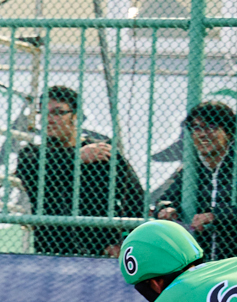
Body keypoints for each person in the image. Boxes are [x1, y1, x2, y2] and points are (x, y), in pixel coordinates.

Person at [14, 84, 143, 257]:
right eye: (44, 112)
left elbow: (135, 199)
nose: (49, 119)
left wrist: (123, 243)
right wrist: (77, 158)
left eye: (58, 112)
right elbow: (40, 171)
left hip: (101, 253)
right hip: (51, 251)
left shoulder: (101, 153)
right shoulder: (31, 155)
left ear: (74, 116)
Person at [150, 101, 237, 265]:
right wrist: (166, 209)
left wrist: (215, 215)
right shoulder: (193, 165)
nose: (202, 134)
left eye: (210, 127)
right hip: (200, 258)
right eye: (196, 128)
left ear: (228, 131)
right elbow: (167, 198)